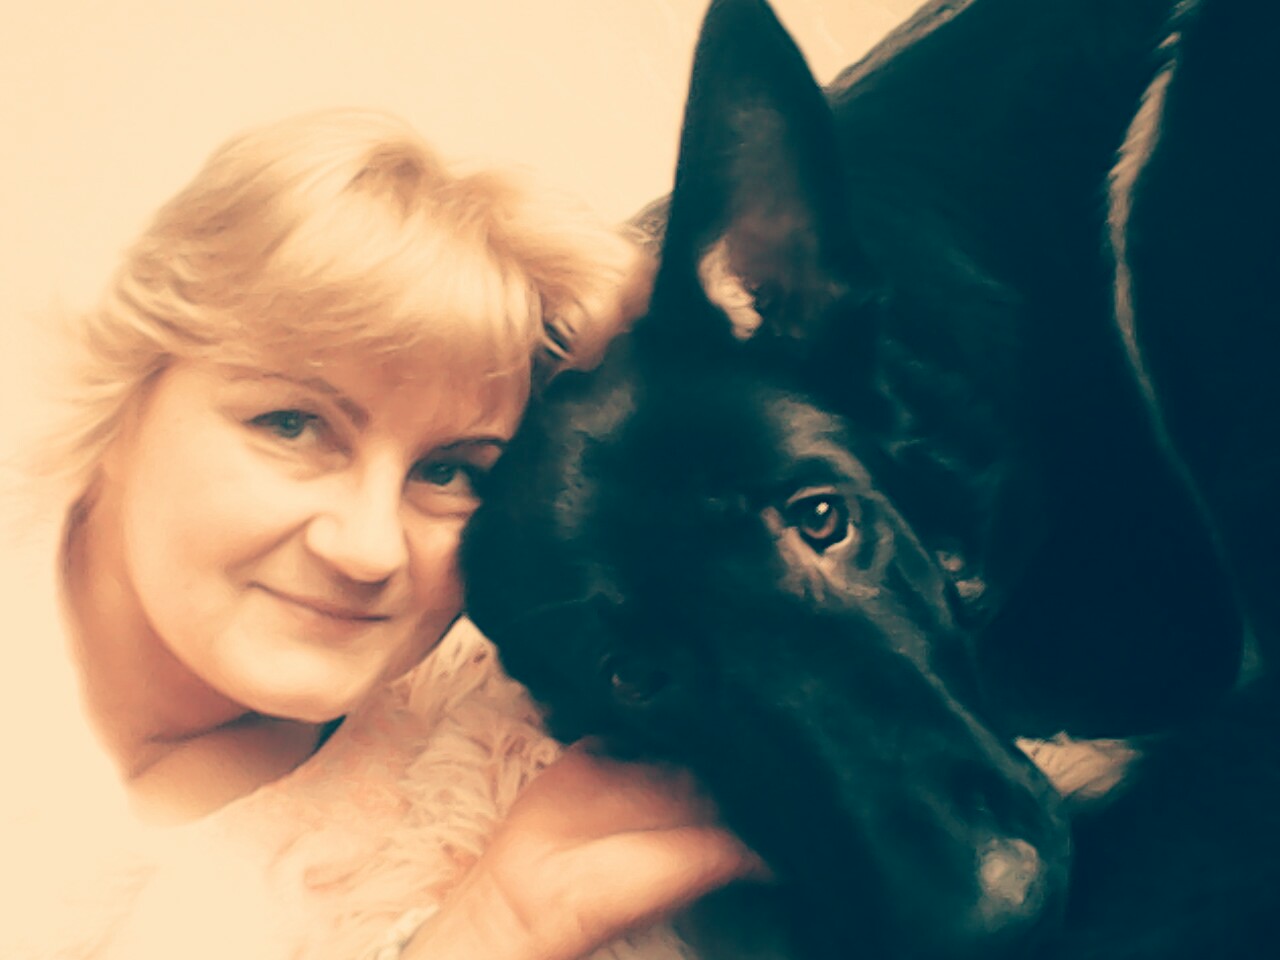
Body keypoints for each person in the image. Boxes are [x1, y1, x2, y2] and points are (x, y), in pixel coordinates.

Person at [1, 107, 761, 960]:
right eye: (293, 425)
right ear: (125, 395)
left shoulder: (473, 789)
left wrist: (495, 926)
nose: (367, 549)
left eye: (451, 472)